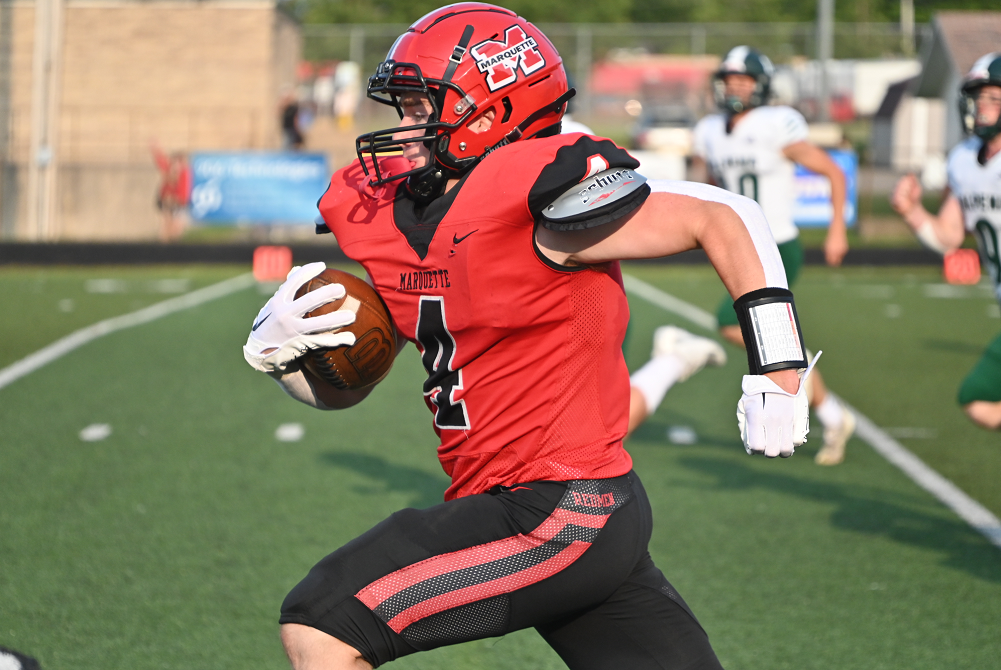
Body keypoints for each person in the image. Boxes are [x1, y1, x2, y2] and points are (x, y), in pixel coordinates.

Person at [243, 6, 818, 669]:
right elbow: (369, 381)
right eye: (400, 106)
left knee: (322, 623)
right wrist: (293, 360)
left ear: (486, 117)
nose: (402, 128)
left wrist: (777, 370)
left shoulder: (536, 202)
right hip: (548, 507)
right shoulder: (393, 216)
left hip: (558, 508)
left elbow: (724, 214)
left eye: (418, 107)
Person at [691, 46, 855, 466]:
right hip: (738, 244)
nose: (735, 87)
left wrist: (836, 229)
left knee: (733, 324)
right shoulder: (710, 130)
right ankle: (830, 413)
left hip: (777, 245)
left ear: (761, 86)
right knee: (756, 334)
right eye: (729, 79)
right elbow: (710, 187)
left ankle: (813, 395)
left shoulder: (774, 124)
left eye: (744, 79)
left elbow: (833, 172)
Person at [891, 52, 1001, 430]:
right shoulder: (965, 159)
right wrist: (912, 211)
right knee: (977, 400)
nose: (983, 107)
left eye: (993, 98)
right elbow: (950, 236)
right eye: (979, 97)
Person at [150, 141, 191, 242]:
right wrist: (156, 149)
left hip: (178, 203)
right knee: (166, 225)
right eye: (174, 162)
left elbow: (183, 195)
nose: (176, 166)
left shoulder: (184, 173)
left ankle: (172, 242)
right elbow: (161, 161)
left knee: (176, 227)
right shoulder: (170, 169)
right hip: (166, 202)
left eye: (179, 162)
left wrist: (175, 199)